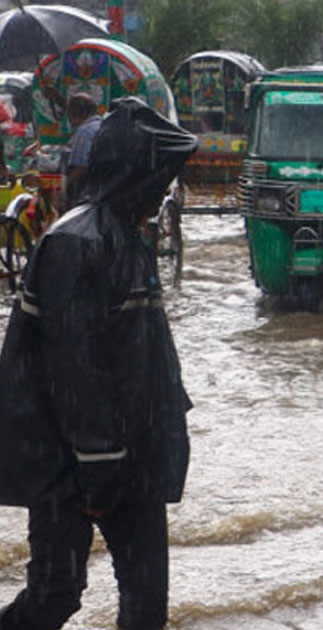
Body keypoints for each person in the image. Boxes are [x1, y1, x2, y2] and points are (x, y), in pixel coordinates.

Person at [0, 97, 197, 630]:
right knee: (56, 593)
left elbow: (139, 353)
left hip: (130, 458)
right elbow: (76, 369)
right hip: (73, 462)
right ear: (136, 171)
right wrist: (98, 471)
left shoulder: (123, 234)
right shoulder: (77, 242)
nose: (163, 191)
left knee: (146, 600)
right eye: (159, 176)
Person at [61, 93, 102, 211]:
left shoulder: (84, 132)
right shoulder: (102, 125)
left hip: (86, 193)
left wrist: (64, 188)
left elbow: (80, 167)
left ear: (77, 114)